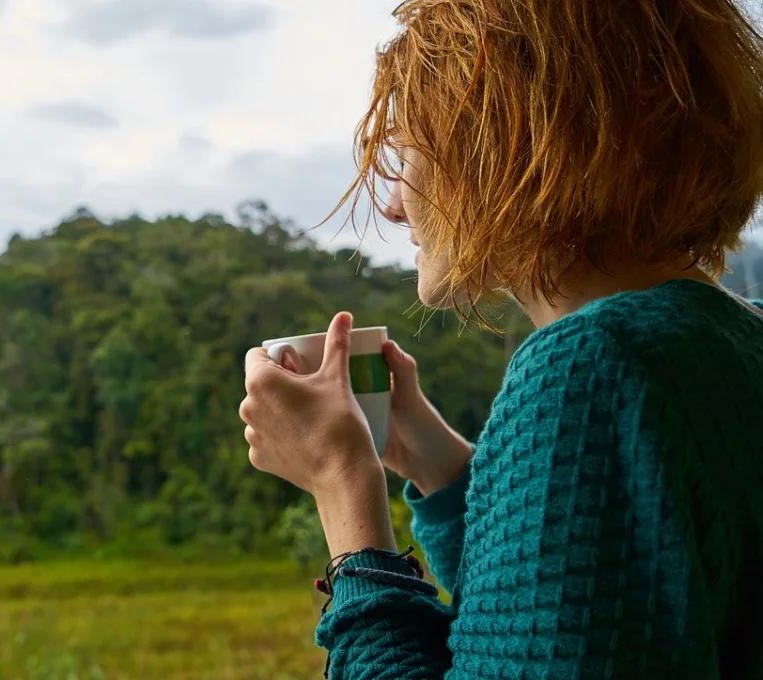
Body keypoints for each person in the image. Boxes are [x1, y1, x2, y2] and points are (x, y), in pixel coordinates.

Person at [238, 0, 763, 677]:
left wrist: (344, 492)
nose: (394, 204)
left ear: (507, 148)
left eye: (407, 155)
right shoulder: (730, 336)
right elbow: (576, 611)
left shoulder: (588, 365)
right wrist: (433, 460)